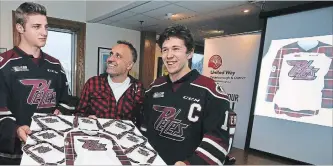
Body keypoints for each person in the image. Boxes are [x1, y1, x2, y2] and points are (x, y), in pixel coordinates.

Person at [140, 24, 237, 165]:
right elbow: (144, 127)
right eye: (165, 50)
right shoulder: (155, 87)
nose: (169, 55)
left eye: (176, 49)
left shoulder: (211, 91)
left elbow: (219, 141)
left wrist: (189, 164)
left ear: (190, 53)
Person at [0, 2, 71, 164]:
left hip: (51, 149)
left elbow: (66, 102)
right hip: (14, 156)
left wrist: (60, 112)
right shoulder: (4, 64)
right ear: (20, 28)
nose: (44, 32)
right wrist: (16, 130)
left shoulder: (56, 65)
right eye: (37, 27)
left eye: (46, 27)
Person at [76, 40, 144, 127]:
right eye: (111, 54)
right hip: (97, 138)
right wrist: (86, 119)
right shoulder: (93, 83)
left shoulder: (138, 88)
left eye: (118, 56)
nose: (110, 59)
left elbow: (141, 121)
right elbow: (78, 114)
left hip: (124, 139)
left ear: (129, 65)